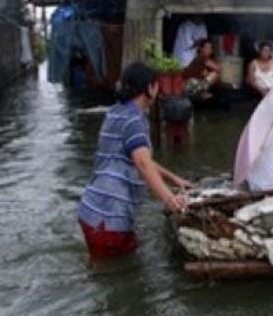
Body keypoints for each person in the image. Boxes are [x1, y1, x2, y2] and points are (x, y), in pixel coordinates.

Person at [77, 62, 193, 259]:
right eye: (157, 85)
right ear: (149, 88)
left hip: (92, 209)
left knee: (111, 263)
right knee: (113, 274)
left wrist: (174, 179)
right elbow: (142, 163)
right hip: (109, 217)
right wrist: (170, 200)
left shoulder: (115, 112)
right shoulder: (135, 120)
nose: (158, 90)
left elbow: (139, 159)